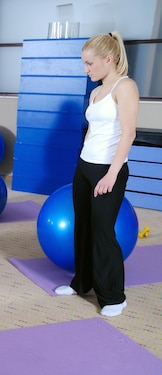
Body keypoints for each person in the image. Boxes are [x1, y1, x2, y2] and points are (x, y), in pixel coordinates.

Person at [54, 31, 139, 317]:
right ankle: (82, 283)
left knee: (103, 233)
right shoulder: (96, 91)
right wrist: (82, 160)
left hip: (108, 170)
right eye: (84, 63)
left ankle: (114, 297)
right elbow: (93, 129)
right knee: (83, 228)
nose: (86, 69)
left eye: (89, 63)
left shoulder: (125, 87)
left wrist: (112, 174)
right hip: (86, 167)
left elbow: (128, 133)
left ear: (109, 59)